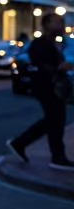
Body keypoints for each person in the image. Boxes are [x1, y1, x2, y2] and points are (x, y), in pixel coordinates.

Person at [8, 12, 74, 170]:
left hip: (52, 86)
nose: (61, 26)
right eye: (57, 23)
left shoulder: (54, 44)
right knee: (55, 119)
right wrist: (59, 67)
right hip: (46, 86)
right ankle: (55, 156)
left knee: (54, 120)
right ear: (46, 25)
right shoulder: (40, 44)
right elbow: (41, 64)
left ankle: (22, 144)